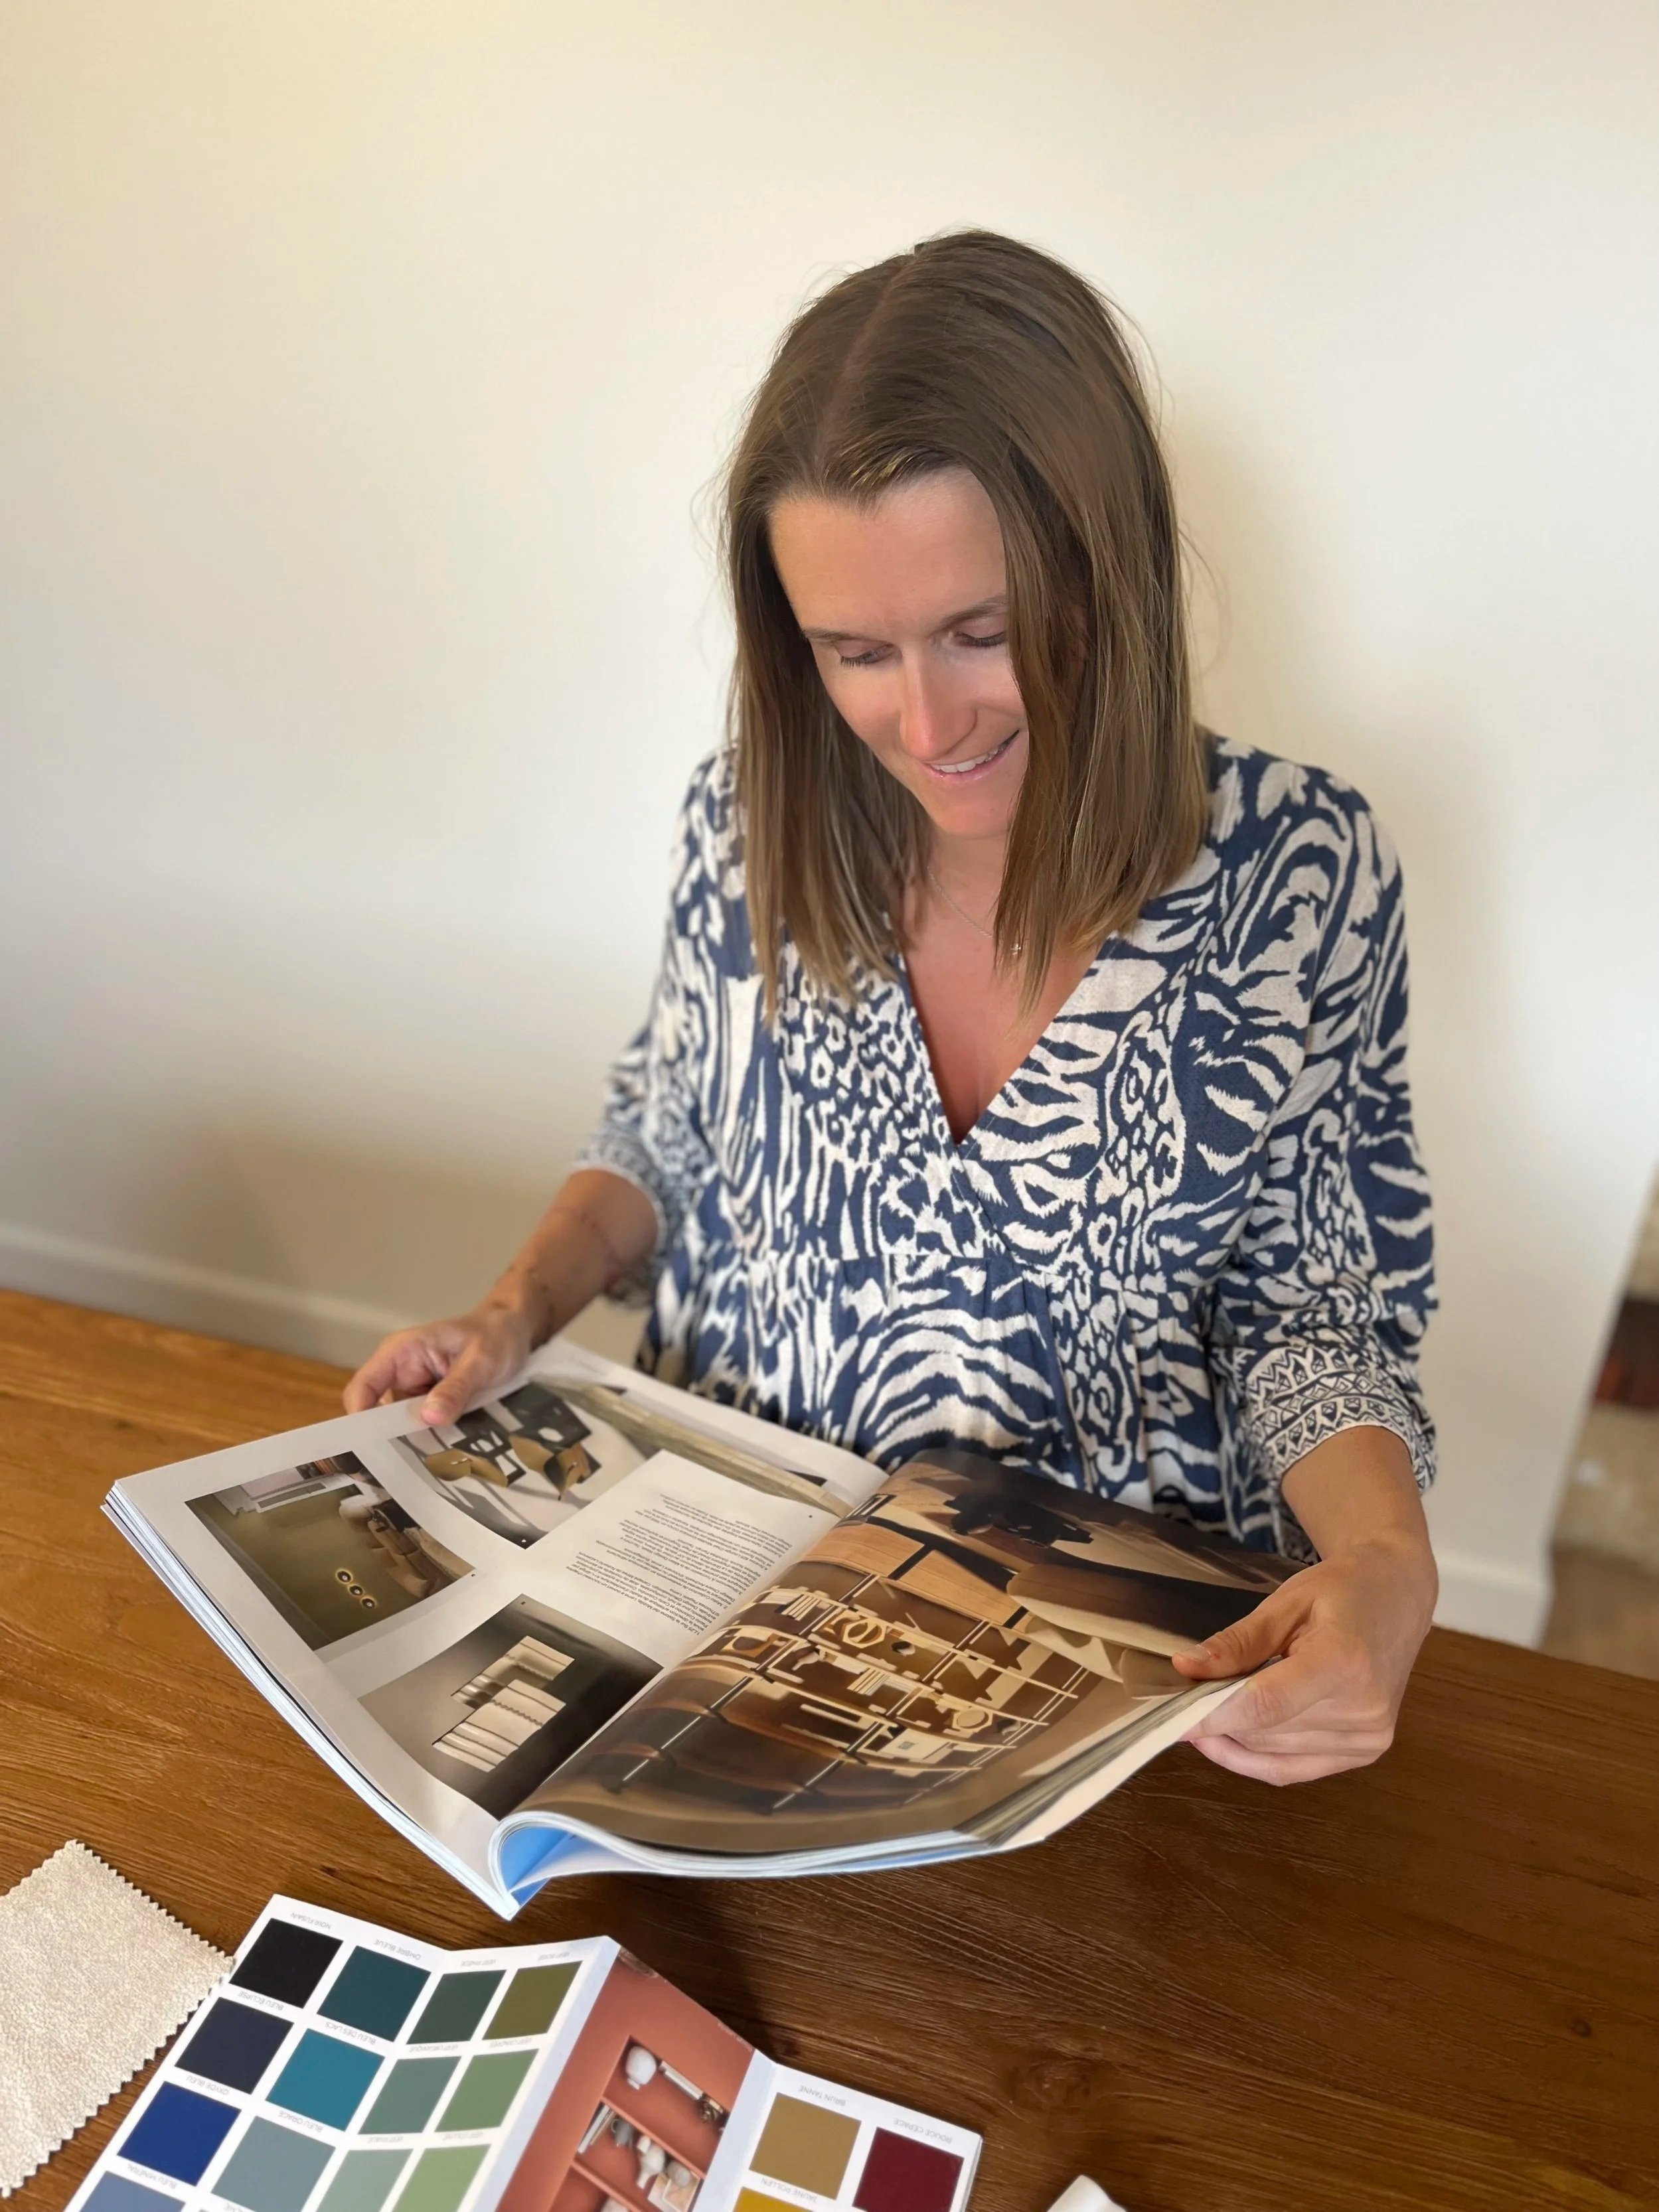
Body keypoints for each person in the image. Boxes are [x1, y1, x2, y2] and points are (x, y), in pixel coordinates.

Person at [346, 230, 1439, 1786]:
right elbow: (660, 1133)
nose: (925, 723)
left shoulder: (1296, 873)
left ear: (1101, 574)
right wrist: (510, 1310)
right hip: (712, 1631)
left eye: (979, 633)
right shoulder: (745, 818)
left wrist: (1388, 1567)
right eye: (855, 653)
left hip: (1099, 1696)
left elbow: (1305, 1308)